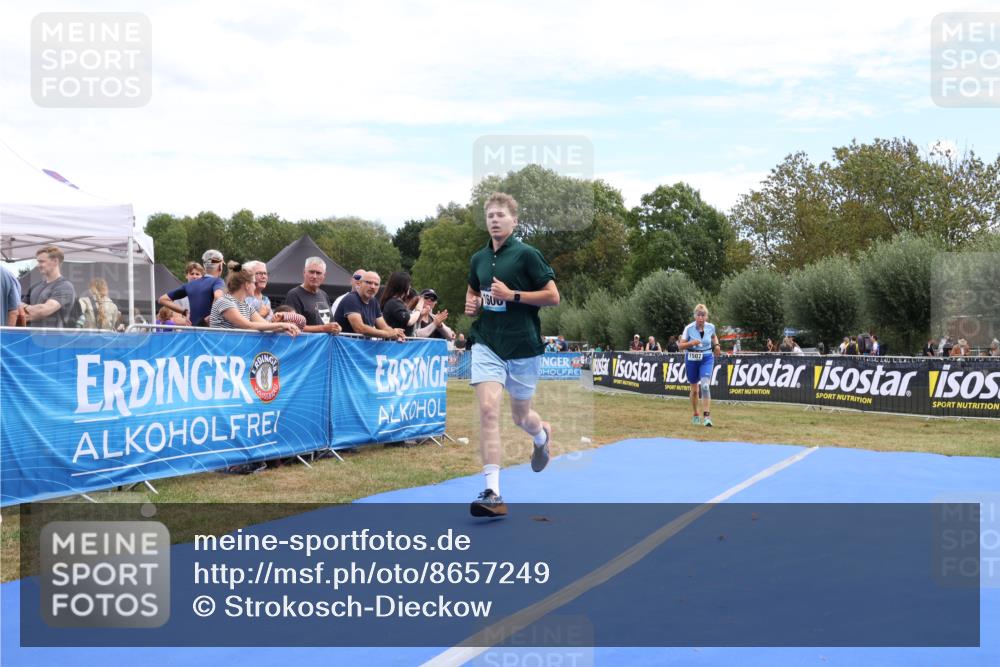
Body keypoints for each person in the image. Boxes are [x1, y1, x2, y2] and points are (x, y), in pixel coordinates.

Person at [464, 192, 560, 518]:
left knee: (521, 417)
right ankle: (493, 492)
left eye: (500, 215)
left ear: (514, 221)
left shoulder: (527, 255)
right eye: (490, 215)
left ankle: (541, 435)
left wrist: (512, 295)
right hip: (487, 342)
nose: (494, 220)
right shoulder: (478, 258)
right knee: (488, 409)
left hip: (523, 347)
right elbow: (473, 289)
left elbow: (553, 296)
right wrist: (472, 303)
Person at [209, 263, 300, 336]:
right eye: (254, 283)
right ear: (247, 285)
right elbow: (247, 325)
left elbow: (266, 325)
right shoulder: (225, 301)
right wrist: (281, 325)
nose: (255, 286)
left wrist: (286, 328)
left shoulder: (246, 306)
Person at [678, 303, 720, 427]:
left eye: (703, 315)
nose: (701, 318)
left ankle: (707, 417)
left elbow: (714, 337)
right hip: (691, 359)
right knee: (695, 390)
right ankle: (696, 414)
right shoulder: (689, 328)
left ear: (706, 316)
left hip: (706, 358)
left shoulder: (711, 327)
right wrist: (691, 343)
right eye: (698, 315)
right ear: (695, 316)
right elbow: (680, 346)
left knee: (705, 386)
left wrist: (717, 345)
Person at [159, 249, 225, 326]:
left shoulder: (190, 284)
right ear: (220, 267)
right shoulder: (218, 281)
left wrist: (185, 312)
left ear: (204, 266)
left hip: (194, 331)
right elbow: (218, 296)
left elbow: (162, 299)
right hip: (210, 331)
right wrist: (212, 316)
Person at [333, 271, 405, 340]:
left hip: (360, 347)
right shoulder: (351, 299)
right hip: (344, 346)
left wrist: (396, 333)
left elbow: (383, 327)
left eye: (376, 284)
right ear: (359, 283)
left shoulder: (374, 301)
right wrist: (388, 334)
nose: (373, 286)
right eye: (369, 282)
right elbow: (359, 328)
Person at [21, 246, 76, 328]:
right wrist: (31, 312)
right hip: (32, 335)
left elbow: (43, 310)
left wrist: (26, 307)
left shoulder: (65, 286)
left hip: (53, 336)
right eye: (38, 262)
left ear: (55, 261)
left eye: (42, 262)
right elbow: (19, 310)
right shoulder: (35, 286)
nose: (38, 265)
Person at [283, 257, 341, 333]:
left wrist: (337, 328)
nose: (314, 276)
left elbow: (330, 323)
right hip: (305, 340)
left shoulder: (324, 295)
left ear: (324, 275)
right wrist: (323, 328)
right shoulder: (294, 295)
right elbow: (292, 326)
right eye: (311, 272)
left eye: (318, 273)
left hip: (325, 341)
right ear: (304, 272)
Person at [379, 271, 422, 336]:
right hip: (396, 341)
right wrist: (418, 309)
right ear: (403, 286)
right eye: (409, 284)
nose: (410, 287)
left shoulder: (394, 302)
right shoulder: (394, 303)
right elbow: (409, 321)